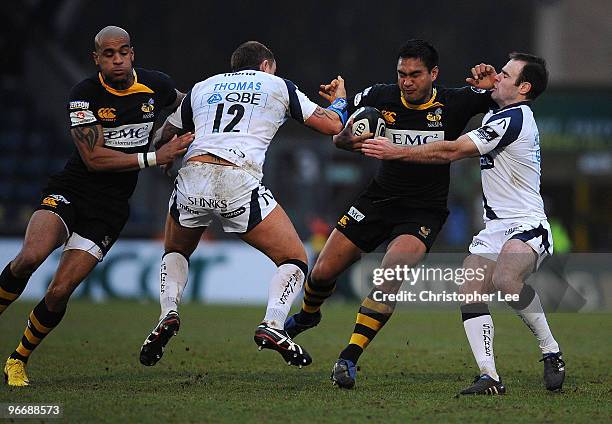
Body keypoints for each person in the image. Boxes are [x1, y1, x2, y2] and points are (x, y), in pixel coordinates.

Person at [283, 39, 497, 388]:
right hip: (378, 200)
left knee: (388, 278)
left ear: (433, 74)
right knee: (321, 273)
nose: (407, 82)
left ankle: (348, 357)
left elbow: (506, 95)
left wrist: (490, 83)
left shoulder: (454, 102)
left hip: (423, 211)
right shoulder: (378, 97)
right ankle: (308, 316)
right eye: (402, 74)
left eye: (415, 75)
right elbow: (338, 132)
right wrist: (348, 135)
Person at [361, 53, 565, 395]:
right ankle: (489, 377)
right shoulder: (498, 113)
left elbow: (452, 151)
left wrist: (395, 150)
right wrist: (489, 89)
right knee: (469, 289)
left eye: (505, 74)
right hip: (495, 229)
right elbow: (484, 103)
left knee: (505, 279)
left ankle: (551, 351)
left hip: (526, 224)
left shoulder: (514, 119)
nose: (496, 76)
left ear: (524, 87)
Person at [1, 26, 194, 387]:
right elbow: (94, 159)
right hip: (72, 190)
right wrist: (156, 155)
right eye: (109, 54)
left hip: (110, 208)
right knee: (31, 256)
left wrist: (172, 135)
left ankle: (17, 359)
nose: (117, 60)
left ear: (132, 53)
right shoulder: (83, 95)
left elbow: (190, 107)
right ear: (97, 59)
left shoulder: (157, 86)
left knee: (59, 292)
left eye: (123, 52)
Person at [138, 41, 347, 368]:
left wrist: (163, 155)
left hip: (192, 174)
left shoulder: (203, 87)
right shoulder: (277, 85)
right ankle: (274, 325)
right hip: (236, 177)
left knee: (176, 251)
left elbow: (167, 131)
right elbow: (332, 126)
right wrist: (340, 101)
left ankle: (168, 313)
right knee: (293, 257)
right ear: (266, 65)